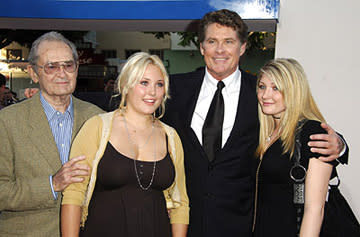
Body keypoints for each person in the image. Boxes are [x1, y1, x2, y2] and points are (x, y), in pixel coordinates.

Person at [162, 9, 348, 237]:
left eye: (229, 42)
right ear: (202, 47)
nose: (220, 50)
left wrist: (339, 144)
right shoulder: (174, 89)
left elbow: (300, 125)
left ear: (242, 47)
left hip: (243, 227)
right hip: (184, 225)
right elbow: (132, 109)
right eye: (212, 41)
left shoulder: (262, 94)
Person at [61, 52, 189, 237]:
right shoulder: (97, 127)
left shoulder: (171, 137)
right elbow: (74, 194)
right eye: (143, 83)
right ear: (126, 85)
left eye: (159, 84)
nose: (152, 92)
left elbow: (181, 204)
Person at [0, 31, 103, 236]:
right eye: (51, 67)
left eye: (68, 65)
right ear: (33, 73)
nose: (62, 73)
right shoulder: (7, 121)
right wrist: (52, 184)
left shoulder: (98, 118)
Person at [253, 58, 343, 236]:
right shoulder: (265, 132)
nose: (265, 95)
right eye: (262, 87)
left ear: (294, 91)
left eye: (276, 88)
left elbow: (314, 210)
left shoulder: (311, 132)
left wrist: (341, 145)